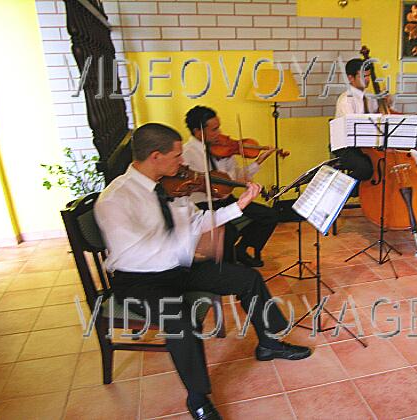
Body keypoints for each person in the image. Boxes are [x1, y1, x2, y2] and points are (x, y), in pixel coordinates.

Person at [94, 123, 310, 420]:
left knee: (247, 278)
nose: (183, 163)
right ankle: (198, 397)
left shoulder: (171, 184)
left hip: (177, 267)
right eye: (177, 155)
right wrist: (191, 247)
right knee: (179, 318)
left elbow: (197, 221)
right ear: (155, 156)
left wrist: (239, 206)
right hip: (139, 280)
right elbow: (137, 253)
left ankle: (270, 343)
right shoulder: (115, 199)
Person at [183, 106, 279, 268]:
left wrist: (258, 161)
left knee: (270, 215)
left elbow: (238, 178)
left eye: (218, 127)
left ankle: (241, 249)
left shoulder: (223, 149)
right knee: (228, 232)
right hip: (203, 205)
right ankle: (227, 266)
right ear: (198, 132)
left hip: (228, 200)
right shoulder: (186, 154)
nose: (219, 133)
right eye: (214, 129)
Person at [332, 58, 377, 182]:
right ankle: (340, 189)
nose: (367, 79)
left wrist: (386, 102)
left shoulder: (369, 98)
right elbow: (352, 129)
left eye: (368, 76)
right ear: (351, 78)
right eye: (363, 76)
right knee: (365, 168)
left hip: (363, 143)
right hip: (345, 145)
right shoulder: (346, 99)